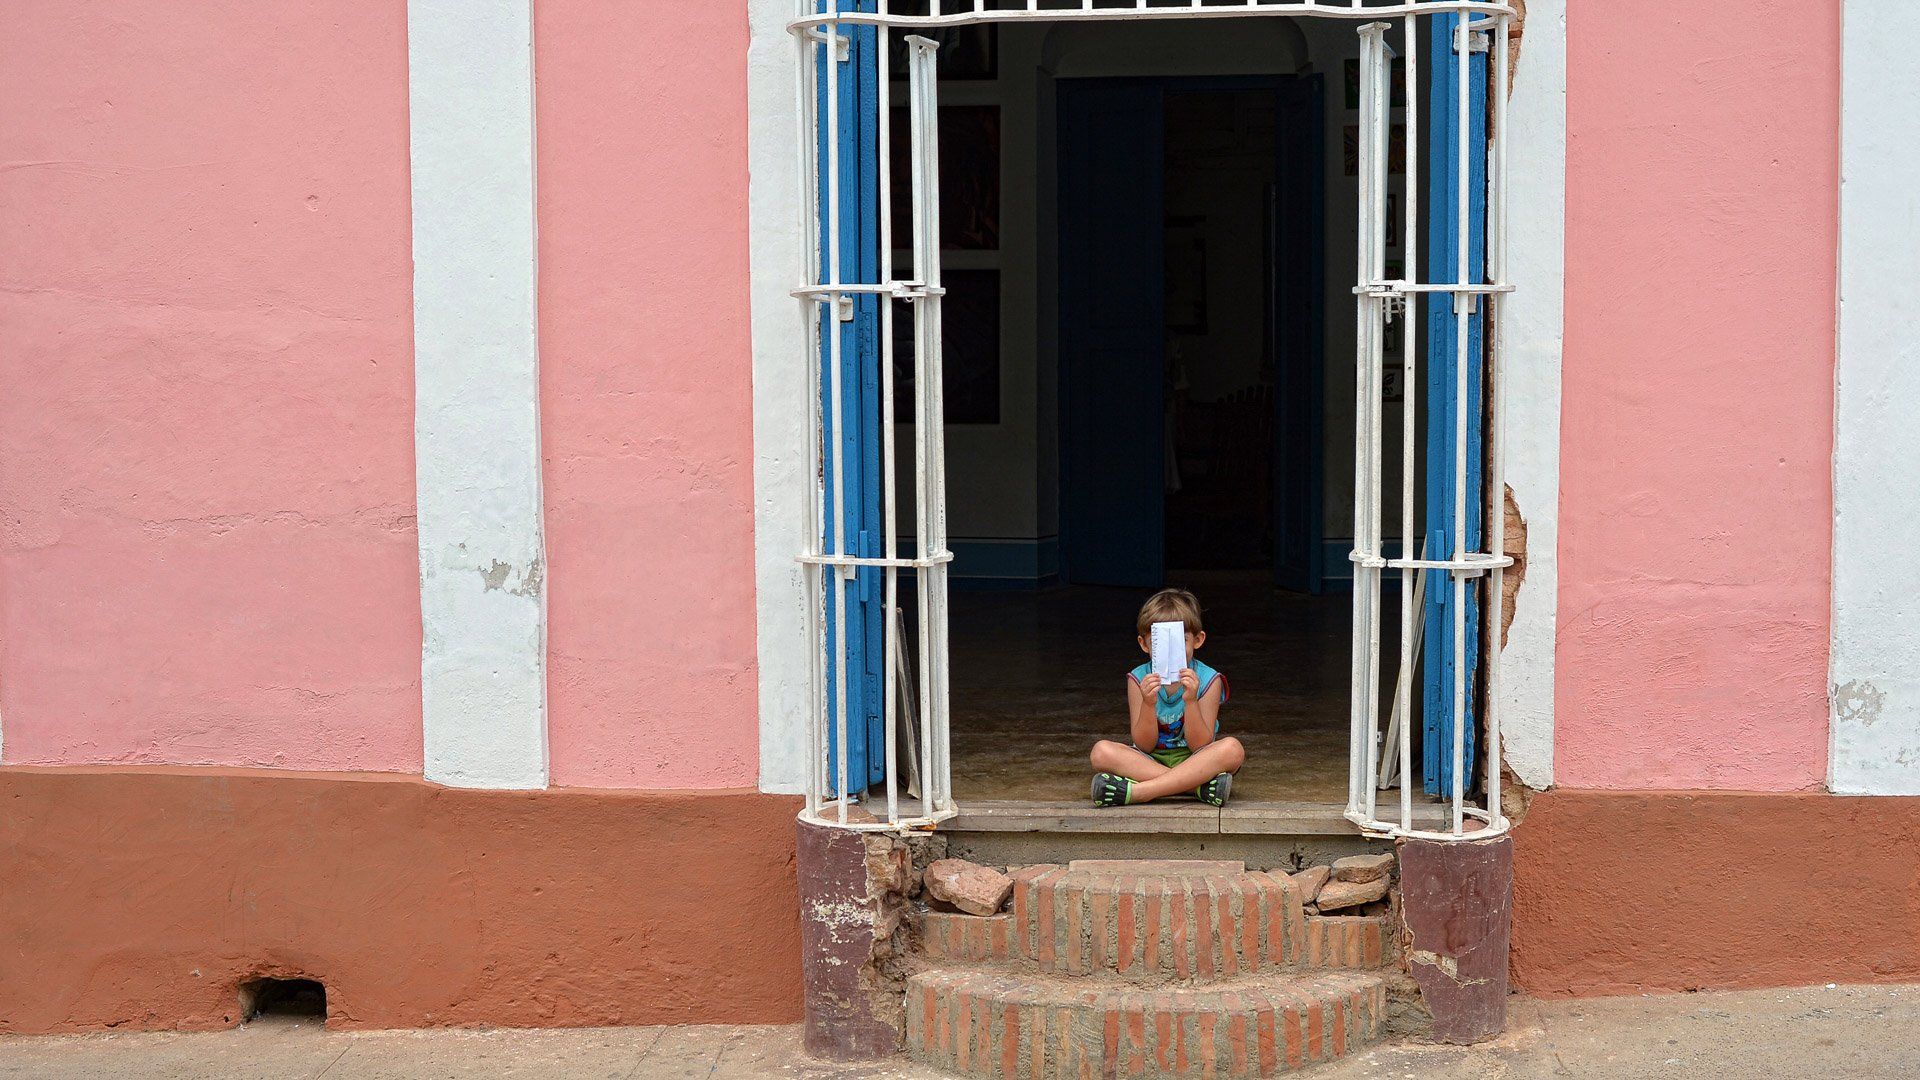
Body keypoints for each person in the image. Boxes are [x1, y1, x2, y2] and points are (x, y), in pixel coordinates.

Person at [1089, 588, 1246, 807]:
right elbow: (1144, 744)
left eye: (1181, 641)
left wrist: (1191, 701)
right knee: (1101, 752)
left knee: (1232, 749)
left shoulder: (1209, 679)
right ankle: (1196, 787)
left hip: (1196, 760)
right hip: (1150, 760)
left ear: (1198, 640)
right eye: (1160, 643)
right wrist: (1148, 702)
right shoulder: (1138, 678)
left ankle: (1140, 792)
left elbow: (1200, 745)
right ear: (1144, 644)